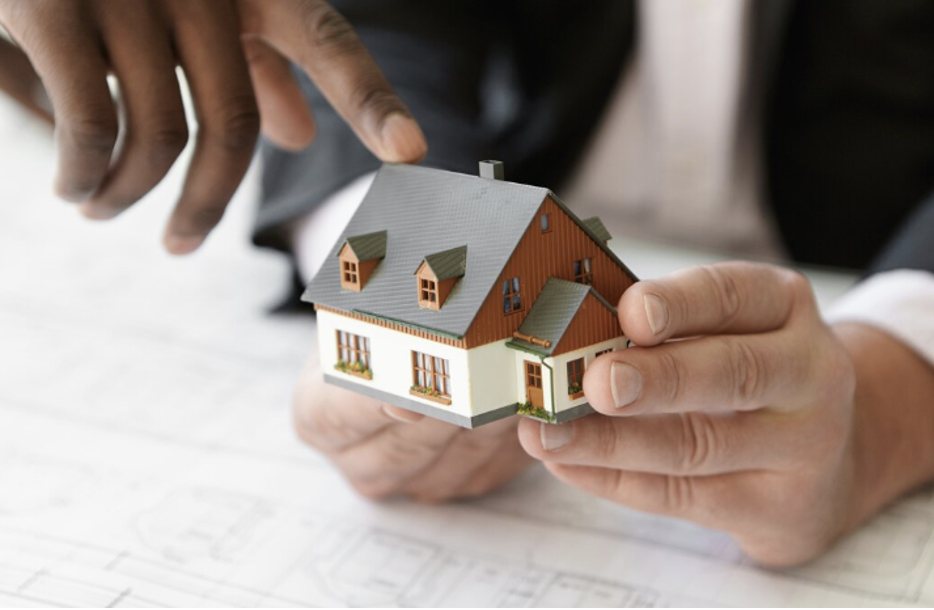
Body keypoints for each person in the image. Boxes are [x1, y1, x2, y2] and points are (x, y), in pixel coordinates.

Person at [2, 0, 933, 568]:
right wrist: (393, 237)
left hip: (874, 259)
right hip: (507, 213)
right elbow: (379, 14)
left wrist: (895, 389)